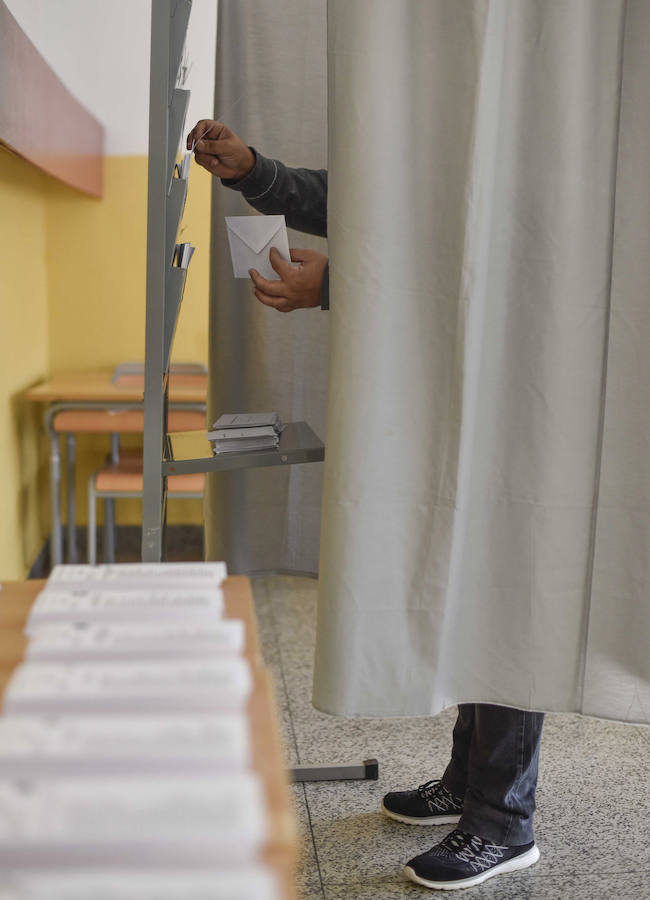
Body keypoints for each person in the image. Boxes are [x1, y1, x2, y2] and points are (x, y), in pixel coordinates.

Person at [187, 119, 544, 892]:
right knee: (465, 587)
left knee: (502, 592)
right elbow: (378, 205)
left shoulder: (539, 122)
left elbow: (505, 271)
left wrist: (342, 284)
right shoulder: (451, 100)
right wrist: (254, 171)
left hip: (520, 403)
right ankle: (470, 779)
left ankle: (505, 819)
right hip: (456, 397)